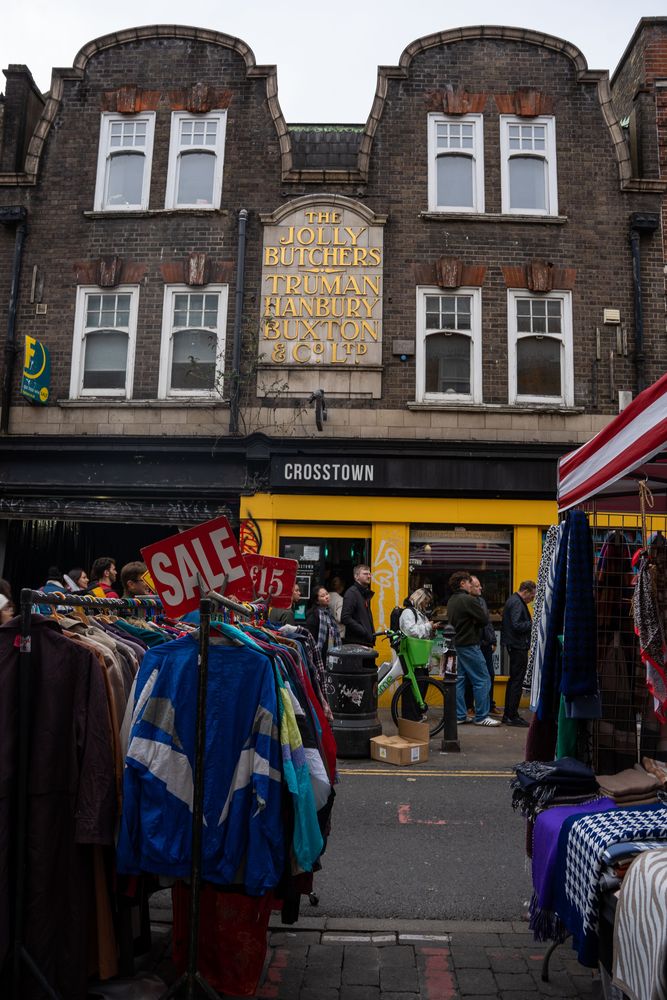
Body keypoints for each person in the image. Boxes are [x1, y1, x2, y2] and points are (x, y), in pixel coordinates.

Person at [446, 570, 500, 727]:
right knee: (483, 679)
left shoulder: (452, 600)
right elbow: (484, 620)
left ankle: (460, 714)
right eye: (469, 582)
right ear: (462, 583)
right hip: (469, 644)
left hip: (457, 644)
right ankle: (482, 715)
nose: (471, 585)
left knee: (459, 680)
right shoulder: (469, 600)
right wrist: (475, 622)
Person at [501, 580, 536, 727]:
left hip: (515, 645)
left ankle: (510, 714)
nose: (532, 599)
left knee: (514, 680)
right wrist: (533, 623)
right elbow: (516, 624)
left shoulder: (514, 600)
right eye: (532, 595)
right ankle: (511, 715)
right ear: (526, 591)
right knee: (517, 681)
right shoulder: (517, 603)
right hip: (517, 646)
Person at [470, 575, 500, 716]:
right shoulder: (468, 601)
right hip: (475, 644)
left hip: (486, 644)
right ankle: (470, 706)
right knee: (473, 677)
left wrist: (492, 640)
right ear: (470, 587)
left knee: (490, 675)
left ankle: (489, 704)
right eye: (477, 586)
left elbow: (487, 622)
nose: (481, 588)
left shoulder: (481, 600)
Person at [341, 564, 375, 646]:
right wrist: (364, 631)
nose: (369, 576)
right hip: (357, 644)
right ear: (356, 576)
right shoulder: (352, 593)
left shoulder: (363, 593)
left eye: (369, 574)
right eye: (365, 574)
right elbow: (345, 617)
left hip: (364, 642)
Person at [305, 585, 341, 661]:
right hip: (319, 654)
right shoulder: (314, 615)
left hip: (329, 652)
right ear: (317, 601)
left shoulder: (329, 613)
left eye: (327, 594)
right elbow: (311, 637)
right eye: (322, 596)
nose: (326, 597)